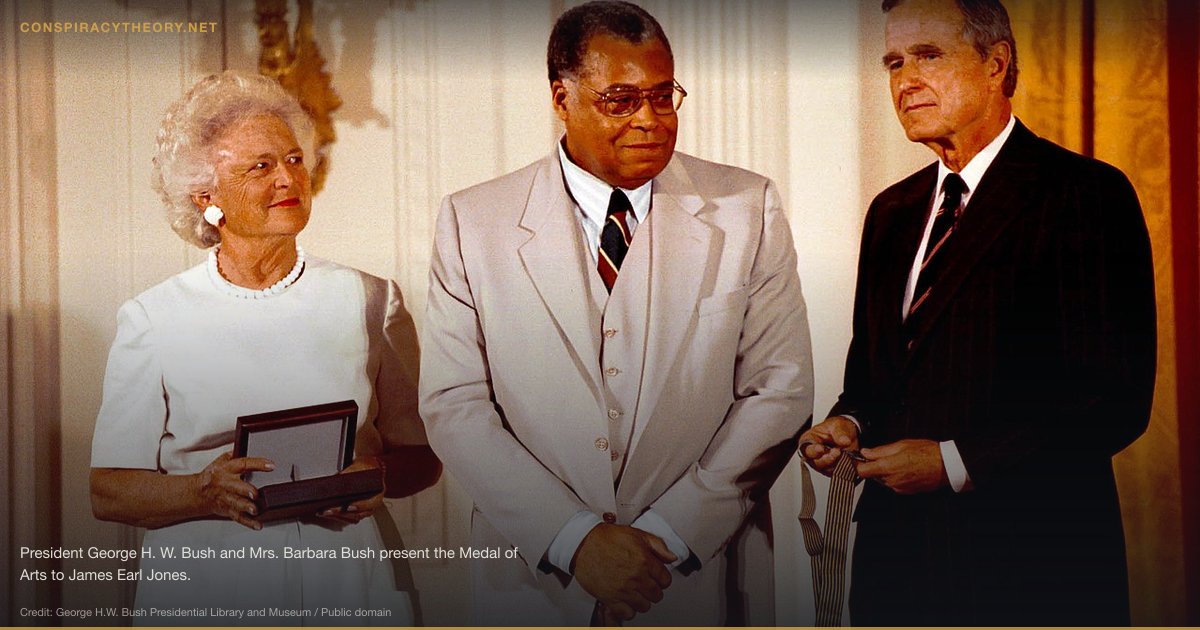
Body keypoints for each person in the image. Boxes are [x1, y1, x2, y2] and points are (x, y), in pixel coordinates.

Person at [418, 1, 814, 625]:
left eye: (663, 96)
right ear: (561, 98)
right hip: (533, 582)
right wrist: (575, 541)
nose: (651, 121)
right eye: (621, 100)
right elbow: (455, 404)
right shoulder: (473, 221)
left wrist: (667, 536)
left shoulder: (747, 207)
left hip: (695, 574)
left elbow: (779, 392)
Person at [799, 0, 1156, 625]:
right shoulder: (892, 212)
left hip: (1034, 566)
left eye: (929, 55)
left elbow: (1114, 400)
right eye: (893, 62)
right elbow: (875, 377)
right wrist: (849, 422)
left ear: (997, 63)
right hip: (897, 568)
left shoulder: (1086, 195)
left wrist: (953, 463)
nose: (905, 80)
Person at [89, 70, 439, 626]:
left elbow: (421, 457)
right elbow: (109, 492)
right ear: (207, 197)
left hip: (347, 577)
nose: (288, 178)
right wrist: (205, 491)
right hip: (208, 583)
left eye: (295, 159)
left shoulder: (371, 299)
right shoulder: (153, 318)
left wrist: (374, 477)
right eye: (261, 166)